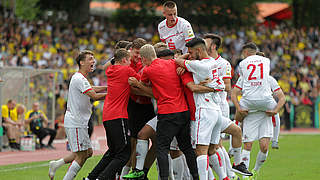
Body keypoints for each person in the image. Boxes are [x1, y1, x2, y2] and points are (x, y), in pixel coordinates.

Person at [130, 44, 199, 180]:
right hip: (183, 111)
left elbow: (143, 86)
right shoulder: (172, 63)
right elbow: (185, 58)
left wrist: (137, 84)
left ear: (144, 59)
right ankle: (196, 177)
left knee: (162, 148)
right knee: (186, 147)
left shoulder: (147, 70)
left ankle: (163, 178)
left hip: (167, 112)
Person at [48, 50, 107, 180]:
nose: (93, 61)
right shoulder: (79, 78)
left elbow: (92, 88)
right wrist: (115, 93)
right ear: (81, 62)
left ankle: (56, 164)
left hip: (80, 121)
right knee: (81, 155)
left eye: (93, 59)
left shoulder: (81, 78)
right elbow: (94, 96)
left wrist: (108, 87)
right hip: (76, 121)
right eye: (90, 59)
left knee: (88, 152)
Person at [231, 44, 285, 179]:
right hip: (252, 114)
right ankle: (245, 175)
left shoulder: (269, 79)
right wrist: (239, 108)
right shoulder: (244, 78)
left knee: (264, 147)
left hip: (265, 115)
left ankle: (255, 171)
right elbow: (234, 92)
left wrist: (275, 111)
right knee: (248, 145)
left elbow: (282, 97)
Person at [84, 48, 140, 180]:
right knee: (124, 153)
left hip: (108, 115)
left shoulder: (110, 70)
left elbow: (108, 65)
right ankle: (102, 178)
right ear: (124, 60)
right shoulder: (126, 70)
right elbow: (142, 80)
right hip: (118, 116)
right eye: (129, 60)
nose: (130, 63)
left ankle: (91, 178)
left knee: (113, 152)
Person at [175, 37, 225, 180]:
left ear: (198, 50)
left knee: (200, 151)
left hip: (204, 110)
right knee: (212, 150)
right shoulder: (213, 63)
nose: (189, 55)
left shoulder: (200, 65)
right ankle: (225, 177)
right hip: (216, 111)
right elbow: (220, 86)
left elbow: (177, 60)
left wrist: (184, 62)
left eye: (191, 52)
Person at [204, 33, 251, 179]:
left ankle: (228, 174)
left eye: (206, 42)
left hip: (219, 105)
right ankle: (230, 175)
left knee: (215, 145)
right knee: (217, 145)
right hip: (209, 106)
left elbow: (227, 86)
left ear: (213, 46)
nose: (203, 44)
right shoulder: (202, 60)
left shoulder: (223, 63)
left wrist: (209, 83)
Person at [120, 38, 156, 179]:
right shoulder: (127, 64)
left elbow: (150, 88)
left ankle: (142, 171)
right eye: (136, 53)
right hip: (134, 106)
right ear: (131, 51)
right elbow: (130, 90)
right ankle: (131, 173)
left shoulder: (146, 63)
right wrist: (148, 91)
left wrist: (142, 89)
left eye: (140, 54)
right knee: (134, 143)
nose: (138, 57)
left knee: (157, 141)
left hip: (147, 106)